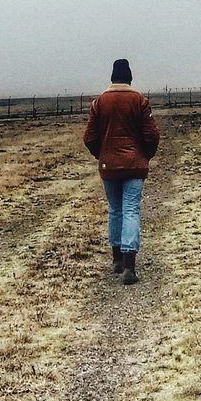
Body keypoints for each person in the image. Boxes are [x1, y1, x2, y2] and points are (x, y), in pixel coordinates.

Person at [83, 58, 160, 285]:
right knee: (130, 210)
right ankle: (130, 266)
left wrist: (102, 154)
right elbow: (152, 135)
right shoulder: (139, 101)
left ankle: (116, 259)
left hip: (109, 166)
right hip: (135, 164)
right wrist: (144, 155)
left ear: (112, 77)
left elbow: (89, 137)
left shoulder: (99, 103)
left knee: (115, 209)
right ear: (129, 78)